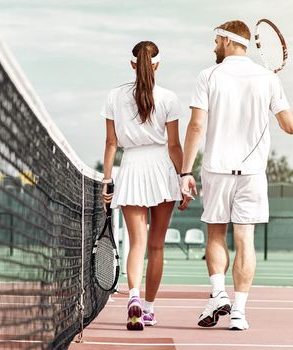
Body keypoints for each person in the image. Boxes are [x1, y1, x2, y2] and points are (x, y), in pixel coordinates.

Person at [180, 20, 293, 331]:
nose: (214, 45)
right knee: (246, 241)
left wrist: (185, 171)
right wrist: (274, 91)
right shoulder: (267, 80)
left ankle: (219, 293)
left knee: (216, 235)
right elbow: (290, 126)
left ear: (230, 42)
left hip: (217, 169)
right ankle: (239, 312)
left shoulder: (208, 75)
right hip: (253, 174)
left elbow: (196, 126)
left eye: (217, 40)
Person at [101, 40, 189, 330]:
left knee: (136, 244)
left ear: (132, 64)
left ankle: (134, 297)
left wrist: (106, 179)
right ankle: (148, 309)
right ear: (157, 65)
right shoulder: (169, 97)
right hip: (163, 170)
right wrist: (184, 176)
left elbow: (111, 142)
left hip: (131, 169)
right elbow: (174, 146)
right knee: (156, 245)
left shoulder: (114, 95)